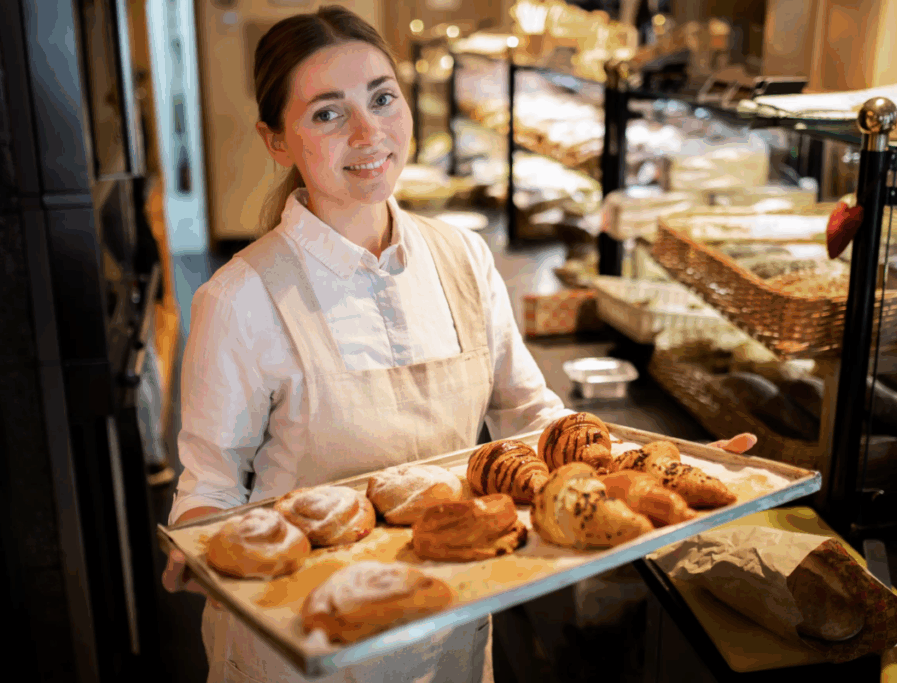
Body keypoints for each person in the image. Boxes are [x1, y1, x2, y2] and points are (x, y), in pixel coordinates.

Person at [161, 6, 755, 682]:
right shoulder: (240, 300)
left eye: (382, 98)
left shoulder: (462, 258)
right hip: (306, 645)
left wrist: (660, 464)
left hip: (450, 629)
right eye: (328, 113)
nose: (369, 131)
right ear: (276, 141)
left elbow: (532, 417)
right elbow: (207, 488)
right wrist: (201, 545)